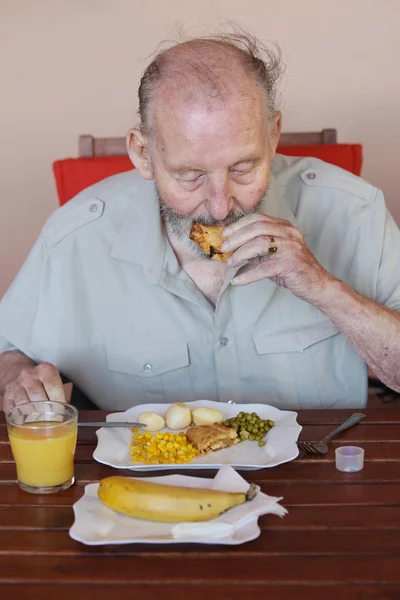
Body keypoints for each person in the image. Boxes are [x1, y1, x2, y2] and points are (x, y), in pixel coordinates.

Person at [1, 32, 400, 414]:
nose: (221, 206)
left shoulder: (354, 211)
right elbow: (8, 351)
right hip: (138, 480)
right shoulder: (75, 236)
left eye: (243, 168)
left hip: (315, 473)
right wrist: (19, 379)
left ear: (273, 136)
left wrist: (325, 289)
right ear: (142, 153)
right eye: (190, 175)